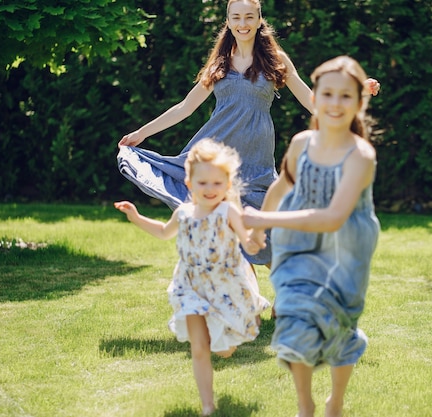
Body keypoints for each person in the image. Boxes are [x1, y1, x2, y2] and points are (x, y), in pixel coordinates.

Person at [117, 0, 380, 266]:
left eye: (248, 17)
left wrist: (354, 91)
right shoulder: (218, 64)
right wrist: (142, 132)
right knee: (228, 237)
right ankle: (247, 304)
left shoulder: (276, 60)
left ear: (258, 20)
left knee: (269, 232)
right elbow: (185, 107)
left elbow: (311, 100)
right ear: (228, 22)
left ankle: (284, 295)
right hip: (217, 156)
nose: (242, 24)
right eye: (236, 18)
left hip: (256, 159)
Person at [242, 56, 380, 417]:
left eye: (345, 96)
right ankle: (306, 405)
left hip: (346, 248)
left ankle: (335, 402)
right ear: (314, 97)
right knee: (292, 318)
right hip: (297, 243)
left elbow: (334, 218)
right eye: (327, 94)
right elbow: (282, 185)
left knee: (336, 323)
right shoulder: (303, 143)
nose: (335, 103)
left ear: (359, 102)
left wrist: (263, 217)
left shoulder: (361, 155)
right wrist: (257, 229)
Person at [115, 139, 270, 417]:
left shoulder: (228, 211)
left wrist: (256, 236)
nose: (209, 190)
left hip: (225, 285)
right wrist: (136, 217)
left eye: (216, 183)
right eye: (203, 183)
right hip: (191, 286)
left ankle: (225, 343)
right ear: (189, 183)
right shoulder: (184, 212)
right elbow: (164, 231)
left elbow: (248, 245)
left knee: (224, 350)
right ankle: (207, 406)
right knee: (199, 348)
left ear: (226, 184)